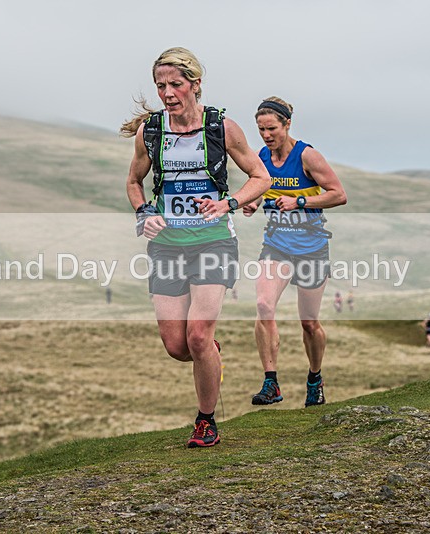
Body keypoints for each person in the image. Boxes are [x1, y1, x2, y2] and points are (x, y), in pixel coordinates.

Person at [122, 47, 271, 448]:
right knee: (177, 346)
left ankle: (206, 422)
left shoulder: (222, 128)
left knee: (199, 336)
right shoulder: (150, 132)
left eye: (175, 84)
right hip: (167, 245)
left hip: (214, 240)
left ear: (195, 84)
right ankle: (208, 353)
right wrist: (143, 213)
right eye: (160, 86)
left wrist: (229, 203)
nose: (168, 93)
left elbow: (261, 176)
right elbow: (134, 182)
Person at [242, 96, 347, 408]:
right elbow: (261, 190)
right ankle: (271, 382)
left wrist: (300, 201)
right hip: (276, 244)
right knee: (263, 305)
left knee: (309, 323)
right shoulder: (261, 157)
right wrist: (253, 203)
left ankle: (315, 377)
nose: (266, 135)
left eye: (272, 128)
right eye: (261, 129)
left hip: (312, 248)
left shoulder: (307, 156)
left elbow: (339, 195)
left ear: (287, 125)